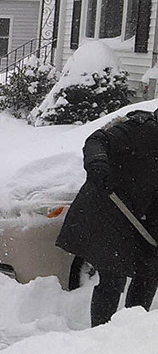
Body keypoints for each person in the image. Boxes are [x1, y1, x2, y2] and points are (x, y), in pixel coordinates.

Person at [56, 109, 158, 327]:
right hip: (109, 208)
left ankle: (131, 332)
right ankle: (101, 337)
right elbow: (97, 140)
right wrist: (98, 165)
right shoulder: (140, 130)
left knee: (150, 274)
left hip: (143, 218)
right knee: (114, 276)